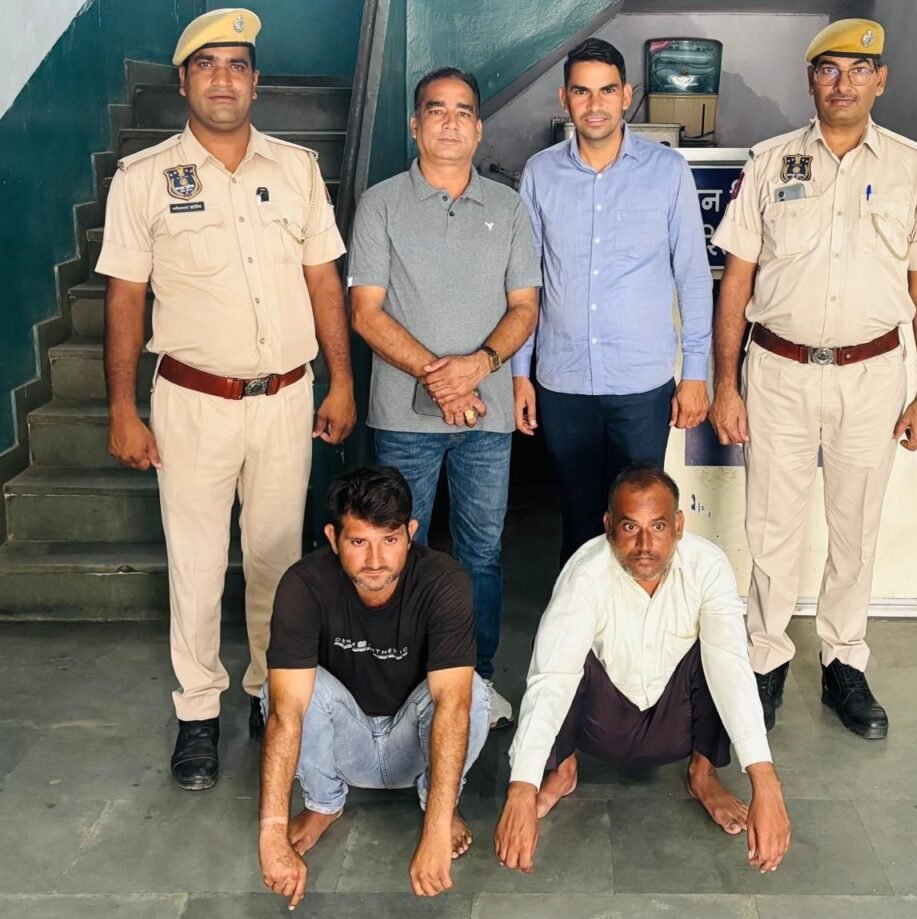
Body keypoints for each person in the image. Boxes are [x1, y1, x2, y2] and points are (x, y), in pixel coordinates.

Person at [98, 7, 356, 791]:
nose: (223, 79)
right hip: (192, 402)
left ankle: (267, 694)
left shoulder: (298, 169)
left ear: (255, 82)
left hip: (286, 397)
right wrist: (122, 408)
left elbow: (323, 280)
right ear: (184, 82)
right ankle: (198, 713)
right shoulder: (143, 179)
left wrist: (342, 379)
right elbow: (124, 297)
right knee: (198, 563)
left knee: (278, 559)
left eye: (237, 65)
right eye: (206, 65)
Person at [709, 19, 917, 738]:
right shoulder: (771, 164)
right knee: (770, 528)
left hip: (872, 372)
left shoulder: (914, 169)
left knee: (856, 528)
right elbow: (736, 282)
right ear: (810, 79)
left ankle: (844, 663)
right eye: (829, 69)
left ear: (881, 80)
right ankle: (764, 661)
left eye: (858, 70)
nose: (843, 83)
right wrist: (726, 383)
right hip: (778, 369)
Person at [348, 67, 541, 730]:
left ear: (479, 128)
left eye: (463, 111)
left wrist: (478, 366)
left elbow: (525, 307)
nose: (450, 122)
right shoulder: (380, 204)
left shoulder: (508, 208)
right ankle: (401, 685)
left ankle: (476, 684)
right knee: (397, 549)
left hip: (488, 417)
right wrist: (442, 377)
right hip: (404, 419)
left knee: (481, 554)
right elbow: (366, 312)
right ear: (415, 124)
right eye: (437, 110)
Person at [494, 465, 790, 876]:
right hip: (603, 722)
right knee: (557, 649)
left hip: (676, 722)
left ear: (679, 526)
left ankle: (703, 774)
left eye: (659, 527)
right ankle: (562, 769)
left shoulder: (708, 566)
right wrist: (521, 789)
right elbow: (552, 679)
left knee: (720, 654)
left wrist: (766, 781)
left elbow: (732, 670)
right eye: (630, 527)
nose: (645, 545)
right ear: (608, 526)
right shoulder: (585, 572)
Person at [511, 38, 713, 566]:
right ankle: (583, 621)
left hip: (641, 384)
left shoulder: (667, 170)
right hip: (563, 382)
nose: (594, 104)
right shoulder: (540, 173)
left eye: (606, 91)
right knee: (579, 522)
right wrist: (520, 373)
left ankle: (641, 618)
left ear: (627, 95)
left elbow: (693, 276)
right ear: (564, 98)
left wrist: (696, 374)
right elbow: (526, 283)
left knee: (641, 523)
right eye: (582, 91)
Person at [257, 466, 489, 905]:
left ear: (411, 534)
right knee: (282, 689)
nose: (376, 560)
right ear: (333, 538)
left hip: (414, 745)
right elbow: (286, 714)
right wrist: (271, 831)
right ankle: (323, 803)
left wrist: (435, 833)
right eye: (359, 542)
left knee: (471, 691)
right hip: (347, 743)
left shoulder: (444, 580)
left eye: (390, 540)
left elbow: (453, 705)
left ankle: (439, 808)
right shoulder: (304, 584)